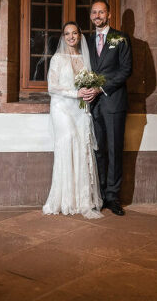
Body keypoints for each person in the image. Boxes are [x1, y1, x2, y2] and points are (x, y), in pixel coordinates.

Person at [42, 22, 103, 219]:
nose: (71, 37)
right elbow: (52, 87)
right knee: (67, 143)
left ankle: (81, 199)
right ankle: (64, 199)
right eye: (67, 33)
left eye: (74, 33)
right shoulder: (57, 58)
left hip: (80, 109)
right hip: (61, 108)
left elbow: (91, 82)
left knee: (81, 147)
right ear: (63, 37)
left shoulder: (85, 58)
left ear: (79, 35)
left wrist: (90, 92)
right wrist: (75, 93)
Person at [81, 0, 133, 216]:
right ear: (91, 16)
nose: (97, 15)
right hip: (93, 105)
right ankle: (100, 196)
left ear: (109, 14)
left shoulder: (120, 38)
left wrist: (100, 89)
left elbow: (126, 70)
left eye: (101, 11)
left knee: (114, 150)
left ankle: (113, 197)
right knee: (99, 151)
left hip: (113, 102)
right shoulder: (88, 40)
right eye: (94, 12)